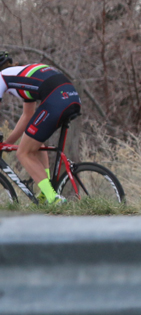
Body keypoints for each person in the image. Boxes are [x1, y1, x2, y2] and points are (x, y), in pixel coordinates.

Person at [0, 54, 82, 204]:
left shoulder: (2, 77)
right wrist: (7, 142)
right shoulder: (22, 75)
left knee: (23, 153)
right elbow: (27, 116)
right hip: (71, 97)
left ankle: (52, 197)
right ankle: (46, 190)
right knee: (36, 145)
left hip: (56, 99)